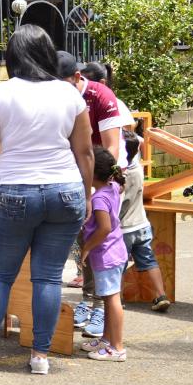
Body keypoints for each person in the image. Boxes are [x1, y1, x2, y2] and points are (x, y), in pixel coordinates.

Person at [0, 25, 93, 375]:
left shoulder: (0, 94)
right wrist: (86, 196)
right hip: (65, 188)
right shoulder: (70, 94)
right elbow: (84, 153)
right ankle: (40, 356)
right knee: (49, 278)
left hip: (15, 190)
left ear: (13, 57)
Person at [59, 51, 123, 339]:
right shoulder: (57, 96)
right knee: (83, 245)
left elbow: (111, 148)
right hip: (78, 180)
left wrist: (97, 187)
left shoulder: (101, 95)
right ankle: (88, 300)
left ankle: (99, 307)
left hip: (100, 179)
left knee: (99, 244)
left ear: (77, 78)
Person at [116, 106, 171, 312]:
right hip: (142, 225)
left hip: (123, 229)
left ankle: (117, 300)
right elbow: (136, 142)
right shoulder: (138, 169)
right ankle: (160, 295)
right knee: (148, 260)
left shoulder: (119, 176)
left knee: (118, 266)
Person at [79, 147, 129, 362]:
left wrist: (87, 247)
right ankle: (107, 340)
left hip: (106, 255)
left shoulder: (99, 199)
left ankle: (117, 347)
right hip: (115, 251)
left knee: (112, 299)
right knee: (108, 299)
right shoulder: (113, 187)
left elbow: (104, 228)